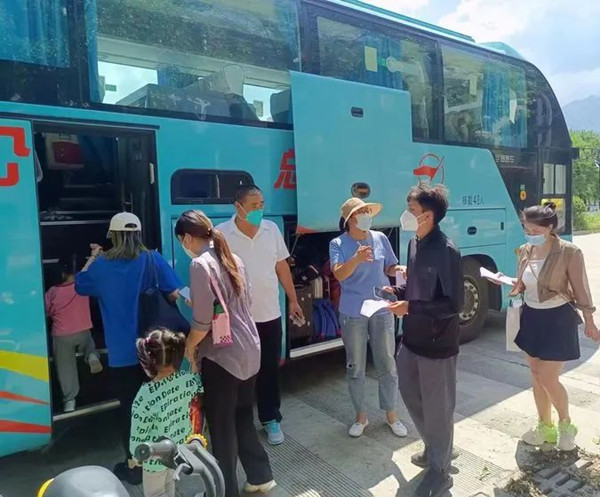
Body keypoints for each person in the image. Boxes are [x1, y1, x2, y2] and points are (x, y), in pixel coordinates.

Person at [75, 212, 182, 485]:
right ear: (139, 233)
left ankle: (135, 467)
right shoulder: (153, 259)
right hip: (155, 352)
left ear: (113, 235)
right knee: (158, 407)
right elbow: (174, 293)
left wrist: (93, 256)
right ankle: (164, 463)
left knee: (131, 411)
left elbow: (80, 284)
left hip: (122, 354)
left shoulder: (101, 266)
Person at [175, 210, 276, 497]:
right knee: (243, 416)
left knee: (221, 427)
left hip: (223, 356)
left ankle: (223, 490)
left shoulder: (199, 264)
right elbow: (243, 301)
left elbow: (203, 322)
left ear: (186, 238)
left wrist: (189, 347)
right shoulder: (234, 258)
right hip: (249, 349)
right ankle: (260, 476)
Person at [491, 202, 599, 451]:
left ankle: (566, 426)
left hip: (558, 319)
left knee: (548, 377)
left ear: (550, 228)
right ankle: (545, 426)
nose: (530, 235)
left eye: (536, 231)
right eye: (527, 230)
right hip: (531, 317)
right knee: (535, 374)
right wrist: (506, 281)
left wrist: (590, 322)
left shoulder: (570, 252)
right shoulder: (525, 251)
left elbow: (581, 289)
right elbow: (526, 284)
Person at [387, 184, 462, 497]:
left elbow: (453, 304)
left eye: (412, 210)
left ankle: (440, 472)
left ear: (428, 215)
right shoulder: (414, 243)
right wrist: (397, 292)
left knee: (438, 409)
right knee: (410, 395)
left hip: (437, 344)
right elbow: (417, 287)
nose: (406, 215)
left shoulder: (446, 251)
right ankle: (435, 448)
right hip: (412, 338)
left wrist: (411, 307)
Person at [216, 185, 303, 445]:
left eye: (262, 204)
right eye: (254, 206)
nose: (259, 210)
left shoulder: (271, 229)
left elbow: (281, 267)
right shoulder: (221, 234)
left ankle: (270, 418)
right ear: (238, 207)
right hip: (238, 318)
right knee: (237, 372)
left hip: (269, 313)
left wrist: (293, 300)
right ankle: (237, 420)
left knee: (269, 369)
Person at [329, 197, 408, 439]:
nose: (365, 215)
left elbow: (389, 266)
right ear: (349, 219)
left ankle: (392, 415)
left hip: (381, 307)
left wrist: (398, 269)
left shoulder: (380, 238)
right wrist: (356, 258)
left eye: (366, 211)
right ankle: (361, 417)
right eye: (360, 212)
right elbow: (339, 274)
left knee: (387, 362)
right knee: (356, 365)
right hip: (353, 311)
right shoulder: (338, 243)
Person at [130, 329, 203, 497]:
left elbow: (138, 430)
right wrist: (193, 360)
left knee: (155, 493)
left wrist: (137, 455)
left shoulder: (145, 395)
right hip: (177, 450)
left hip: (154, 457)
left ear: (148, 360)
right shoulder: (186, 381)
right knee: (170, 483)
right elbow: (197, 382)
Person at [45, 254, 103, 413]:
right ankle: (91, 356)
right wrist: (94, 255)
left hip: (62, 336)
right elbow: (86, 269)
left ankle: (69, 400)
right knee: (89, 344)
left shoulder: (52, 292)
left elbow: (46, 312)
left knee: (65, 367)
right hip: (83, 330)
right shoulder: (81, 284)